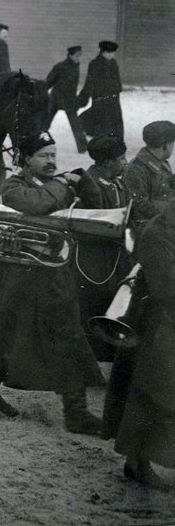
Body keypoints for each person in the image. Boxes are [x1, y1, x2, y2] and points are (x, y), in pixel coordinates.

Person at [0, 133, 105, 433]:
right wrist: (66, 184)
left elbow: (94, 207)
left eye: (54, 155)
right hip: (17, 272)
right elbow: (38, 205)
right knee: (2, 333)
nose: (52, 161)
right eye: (44, 155)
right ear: (25, 159)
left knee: (68, 335)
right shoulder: (13, 186)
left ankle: (76, 412)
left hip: (53, 272)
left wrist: (85, 181)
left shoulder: (57, 184)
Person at [107, 206, 175, 489]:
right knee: (148, 395)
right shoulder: (159, 231)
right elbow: (167, 286)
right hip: (159, 324)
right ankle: (136, 463)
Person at [73, 135, 133, 360]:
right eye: (122, 158)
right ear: (108, 162)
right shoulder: (89, 183)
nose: (125, 162)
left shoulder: (116, 181)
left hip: (114, 256)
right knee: (90, 305)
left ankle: (104, 355)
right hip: (93, 260)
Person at [123, 120, 175, 231]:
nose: (173, 147)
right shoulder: (137, 169)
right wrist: (171, 211)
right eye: (172, 143)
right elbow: (140, 206)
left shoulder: (162, 162)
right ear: (165, 145)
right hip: (151, 229)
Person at [44, 45, 88, 153]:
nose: (78, 58)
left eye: (80, 56)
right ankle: (37, 141)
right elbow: (49, 81)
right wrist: (41, 92)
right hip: (56, 99)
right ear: (70, 55)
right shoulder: (60, 66)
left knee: (76, 124)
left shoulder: (76, 66)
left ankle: (83, 147)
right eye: (77, 56)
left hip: (69, 100)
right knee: (45, 123)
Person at [79, 40, 124, 141]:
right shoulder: (95, 64)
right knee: (101, 119)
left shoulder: (113, 63)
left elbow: (117, 78)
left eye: (112, 53)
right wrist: (84, 96)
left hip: (113, 97)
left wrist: (118, 88)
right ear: (102, 52)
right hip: (100, 96)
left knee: (115, 119)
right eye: (108, 53)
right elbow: (89, 81)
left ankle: (117, 141)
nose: (111, 55)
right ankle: (102, 140)